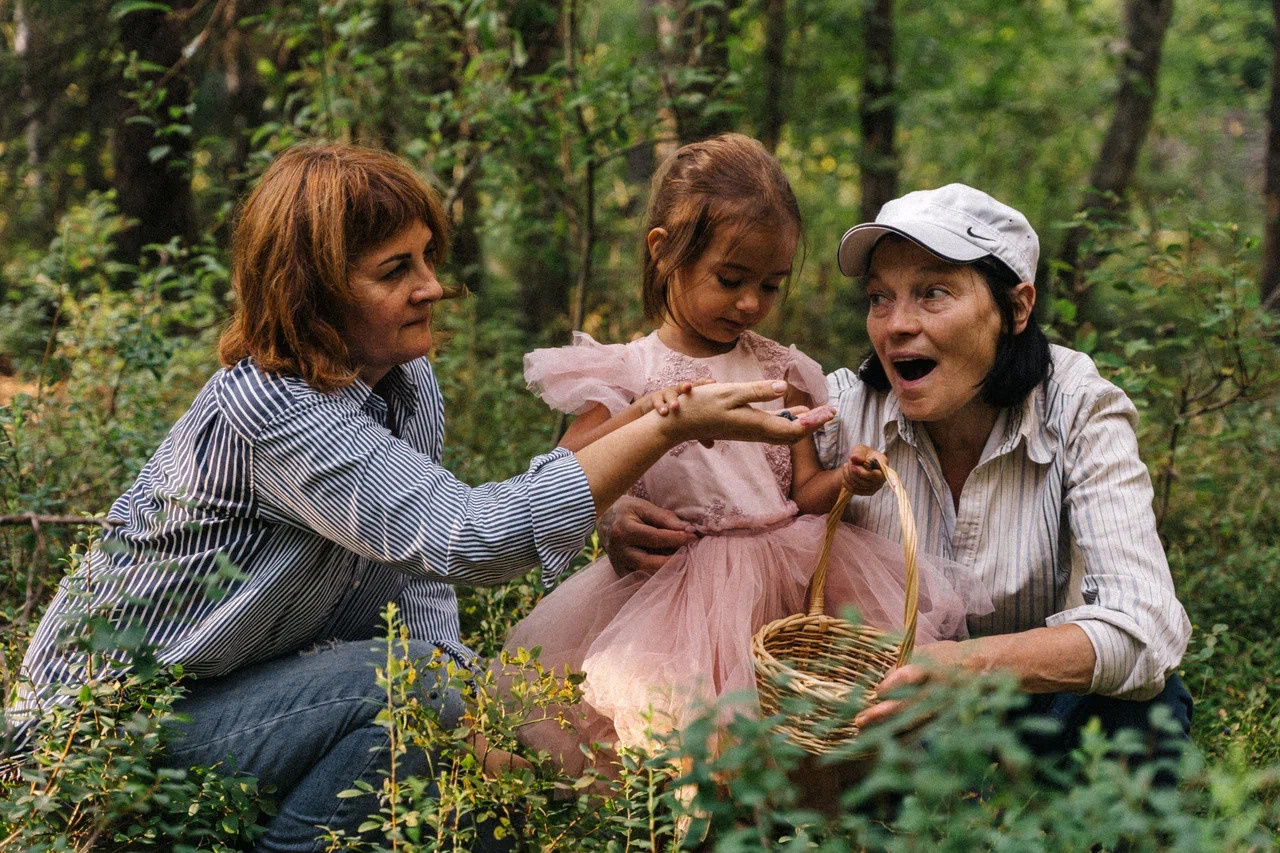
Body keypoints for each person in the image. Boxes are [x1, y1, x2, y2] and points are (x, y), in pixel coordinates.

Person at [3, 143, 834, 853]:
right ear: (313, 291)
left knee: (450, 726)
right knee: (411, 686)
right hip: (107, 736)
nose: (432, 286)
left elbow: (418, 583)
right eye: (395, 270)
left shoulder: (407, 386)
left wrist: (478, 711)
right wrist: (664, 421)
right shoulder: (268, 410)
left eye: (428, 258)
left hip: (251, 695)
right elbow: (471, 538)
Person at [603, 182, 1193, 758]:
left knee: (1148, 709)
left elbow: (1144, 627)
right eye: (880, 298)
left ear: (1016, 307)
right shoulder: (835, 412)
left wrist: (958, 668)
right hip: (889, 732)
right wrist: (621, 512)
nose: (895, 325)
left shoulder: (1078, 407)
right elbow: (727, 518)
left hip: (1041, 712)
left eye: (934, 293)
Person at [500, 135, 986, 777]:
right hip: (676, 597)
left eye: (770, 285)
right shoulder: (628, 373)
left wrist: (847, 479)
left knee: (805, 745)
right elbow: (567, 472)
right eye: (730, 280)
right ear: (664, 250)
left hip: (787, 579)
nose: (751, 303)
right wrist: (620, 485)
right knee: (687, 753)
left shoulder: (780, 369)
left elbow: (803, 491)